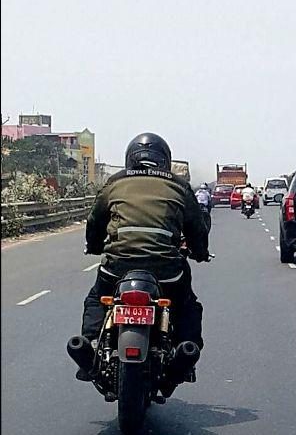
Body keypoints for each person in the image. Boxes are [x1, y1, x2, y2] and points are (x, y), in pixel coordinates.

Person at [80, 132, 210, 384]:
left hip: (117, 267)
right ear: (165, 160)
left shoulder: (115, 182)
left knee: (97, 297)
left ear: (130, 158)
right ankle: (186, 349)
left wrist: (94, 246)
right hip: (166, 270)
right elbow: (197, 228)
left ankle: (90, 343)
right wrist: (200, 252)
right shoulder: (179, 185)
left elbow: (95, 221)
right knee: (186, 305)